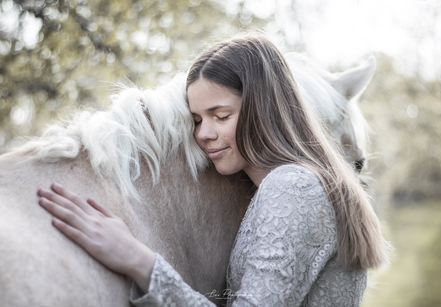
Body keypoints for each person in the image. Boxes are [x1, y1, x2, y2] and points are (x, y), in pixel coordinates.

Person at [37, 35, 389, 306]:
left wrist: (140, 261)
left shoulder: (293, 186)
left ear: (264, 109)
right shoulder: (292, 185)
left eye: (221, 116)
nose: (204, 134)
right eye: (196, 119)